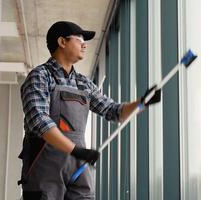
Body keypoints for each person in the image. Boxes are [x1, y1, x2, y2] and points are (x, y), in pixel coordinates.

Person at [18, 21, 161, 200]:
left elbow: (113, 111)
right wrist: (75, 150)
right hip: (45, 168)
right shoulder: (40, 76)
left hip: (77, 166)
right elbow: (40, 121)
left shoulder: (83, 83)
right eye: (79, 39)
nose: (84, 45)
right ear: (62, 42)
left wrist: (142, 102)